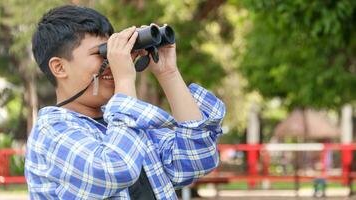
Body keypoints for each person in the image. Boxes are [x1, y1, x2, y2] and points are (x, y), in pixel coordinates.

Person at [25, 4, 225, 200]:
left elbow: (198, 159)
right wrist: (124, 79)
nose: (113, 61)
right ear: (59, 67)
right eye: (101, 53)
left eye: (112, 51)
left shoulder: (124, 125)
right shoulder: (51, 132)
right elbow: (117, 168)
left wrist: (168, 73)